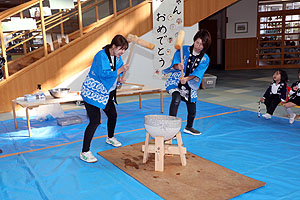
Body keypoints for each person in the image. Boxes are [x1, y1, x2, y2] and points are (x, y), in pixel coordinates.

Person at [80, 35, 129, 163]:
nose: (122, 52)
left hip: (105, 93)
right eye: (121, 49)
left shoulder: (118, 58)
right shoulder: (101, 56)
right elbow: (104, 74)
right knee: (95, 121)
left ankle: (110, 137)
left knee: (113, 114)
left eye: (124, 50)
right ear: (113, 46)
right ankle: (85, 151)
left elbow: (118, 72)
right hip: (92, 92)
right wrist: (119, 71)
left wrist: (120, 78)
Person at [162, 29, 211, 135]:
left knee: (192, 107)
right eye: (197, 42)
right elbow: (174, 65)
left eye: (201, 45)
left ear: (205, 46)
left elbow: (198, 73)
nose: (198, 46)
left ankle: (189, 127)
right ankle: (171, 129)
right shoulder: (182, 50)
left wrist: (187, 79)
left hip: (190, 82)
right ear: (194, 40)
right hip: (176, 79)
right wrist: (178, 66)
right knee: (176, 98)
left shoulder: (205, 59)